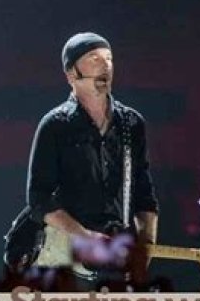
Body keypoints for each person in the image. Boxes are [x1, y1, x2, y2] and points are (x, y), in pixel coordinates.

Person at [25, 32, 159, 283]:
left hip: (116, 262)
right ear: (71, 74)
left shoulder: (131, 123)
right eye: (94, 58)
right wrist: (86, 236)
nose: (106, 64)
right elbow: (39, 198)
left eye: (109, 58)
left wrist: (145, 249)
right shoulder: (55, 125)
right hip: (66, 260)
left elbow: (144, 195)